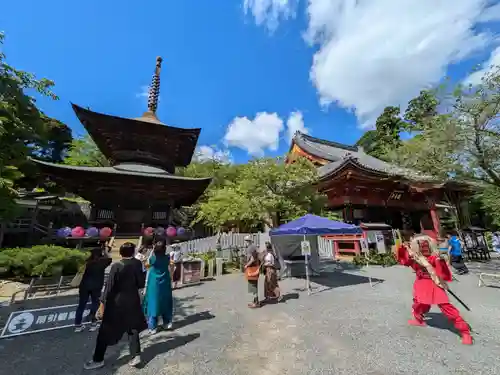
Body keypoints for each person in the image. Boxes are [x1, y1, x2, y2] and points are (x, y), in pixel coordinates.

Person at [396, 235, 472, 345]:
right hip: (421, 283)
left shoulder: (433, 258)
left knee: (446, 307)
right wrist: (403, 248)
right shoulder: (414, 258)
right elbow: (404, 260)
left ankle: (465, 332)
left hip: (435, 283)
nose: (424, 248)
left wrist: (440, 263)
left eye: (425, 245)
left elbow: (443, 272)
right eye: (421, 246)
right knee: (419, 304)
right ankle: (418, 319)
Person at [84, 242, 147, 370]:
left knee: (104, 332)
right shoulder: (137, 263)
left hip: (116, 303)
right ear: (133, 252)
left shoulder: (117, 266)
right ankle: (136, 355)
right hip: (132, 300)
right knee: (132, 329)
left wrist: (101, 305)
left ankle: (98, 359)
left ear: (120, 253)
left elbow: (108, 288)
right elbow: (141, 283)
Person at [74, 247, 112, 332]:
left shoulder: (86, 262)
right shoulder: (102, 262)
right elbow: (109, 258)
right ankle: (93, 324)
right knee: (95, 304)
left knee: (81, 305)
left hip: (84, 286)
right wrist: (106, 250)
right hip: (96, 286)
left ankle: (77, 325)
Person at [143, 239, 174, 334]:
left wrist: (153, 249)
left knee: (153, 303)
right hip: (165, 281)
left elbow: (146, 266)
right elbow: (172, 268)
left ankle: (152, 326)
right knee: (165, 301)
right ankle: (167, 322)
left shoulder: (152, 259)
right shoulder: (167, 258)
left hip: (153, 283)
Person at [244, 236, 261, 308]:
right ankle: (255, 301)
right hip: (255, 267)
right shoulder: (254, 247)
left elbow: (252, 259)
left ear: (249, 241)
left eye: (246, 241)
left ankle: (256, 303)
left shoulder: (251, 248)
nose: (245, 242)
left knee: (253, 285)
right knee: (253, 285)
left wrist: (246, 265)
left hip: (252, 268)